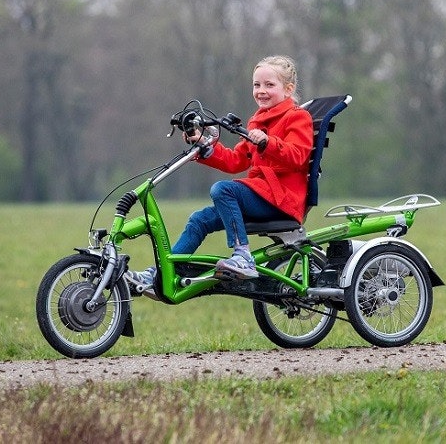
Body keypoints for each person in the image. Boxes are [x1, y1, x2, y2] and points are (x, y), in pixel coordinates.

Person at [125, 55, 313, 287]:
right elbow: (235, 160)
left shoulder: (297, 117)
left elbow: (298, 156)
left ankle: (243, 256)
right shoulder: (258, 121)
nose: (261, 91)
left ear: (288, 89)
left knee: (223, 190)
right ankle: (161, 275)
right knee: (199, 220)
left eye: (269, 85)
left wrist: (267, 142)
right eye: (257, 85)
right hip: (263, 196)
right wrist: (205, 145)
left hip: (281, 199)